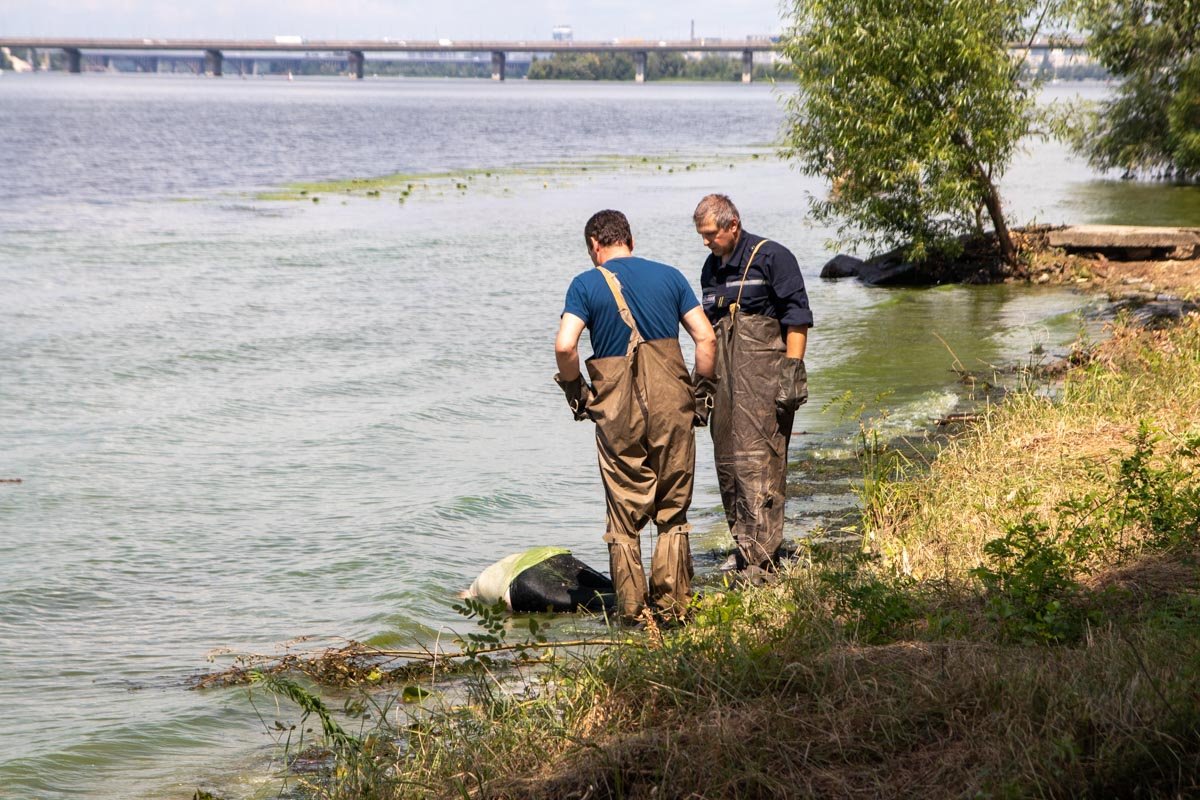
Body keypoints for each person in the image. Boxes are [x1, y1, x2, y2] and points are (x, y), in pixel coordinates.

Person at [554, 209, 717, 622]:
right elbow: (706, 338)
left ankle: (632, 614)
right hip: (673, 405)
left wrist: (578, 394)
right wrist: (701, 397)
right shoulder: (670, 276)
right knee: (672, 510)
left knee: (624, 517)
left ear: (595, 245)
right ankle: (674, 609)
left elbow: (565, 346)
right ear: (630, 240)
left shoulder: (585, 284)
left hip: (617, 411)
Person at [692, 194, 813, 579]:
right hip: (725, 382)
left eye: (711, 234)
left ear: (733, 225)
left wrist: (792, 372)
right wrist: (701, 389)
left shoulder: (773, 257)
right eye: (701, 235)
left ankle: (763, 557)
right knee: (728, 464)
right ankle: (744, 546)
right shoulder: (710, 270)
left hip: (765, 380)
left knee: (761, 463)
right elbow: (709, 333)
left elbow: (797, 318)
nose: (706, 242)